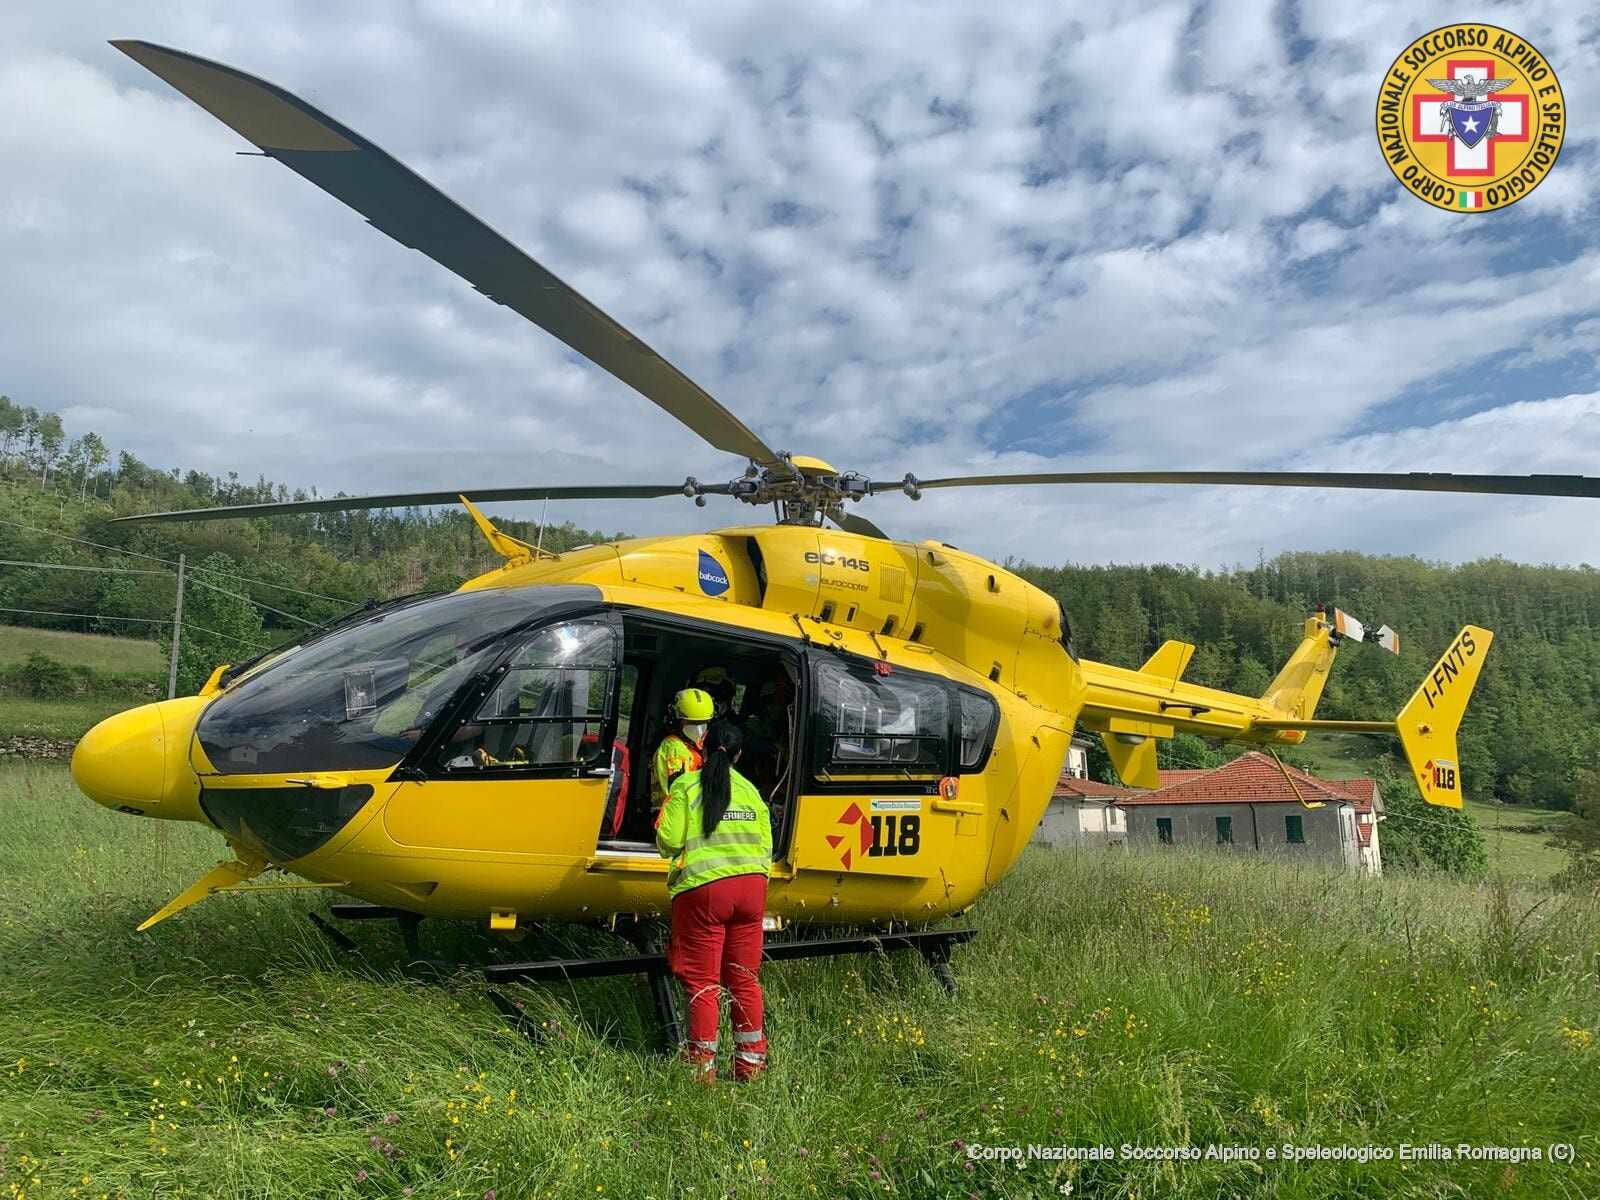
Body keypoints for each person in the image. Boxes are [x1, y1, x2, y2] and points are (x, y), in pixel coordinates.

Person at [655, 722, 773, 1082]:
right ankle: (751, 1067)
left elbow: (668, 842)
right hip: (752, 892)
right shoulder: (752, 792)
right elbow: (767, 845)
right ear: (739, 755)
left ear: (702, 748)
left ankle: (701, 1070)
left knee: (703, 983)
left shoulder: (686, 787)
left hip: (704, 894)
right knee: (744, 979)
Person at [651, 687, 713, 817]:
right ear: (676, 720)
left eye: (703, 722)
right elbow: (681, 791)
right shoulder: (674, 748)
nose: (699, 729)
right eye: (692, 722)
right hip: (674, 816)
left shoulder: (698, 745)